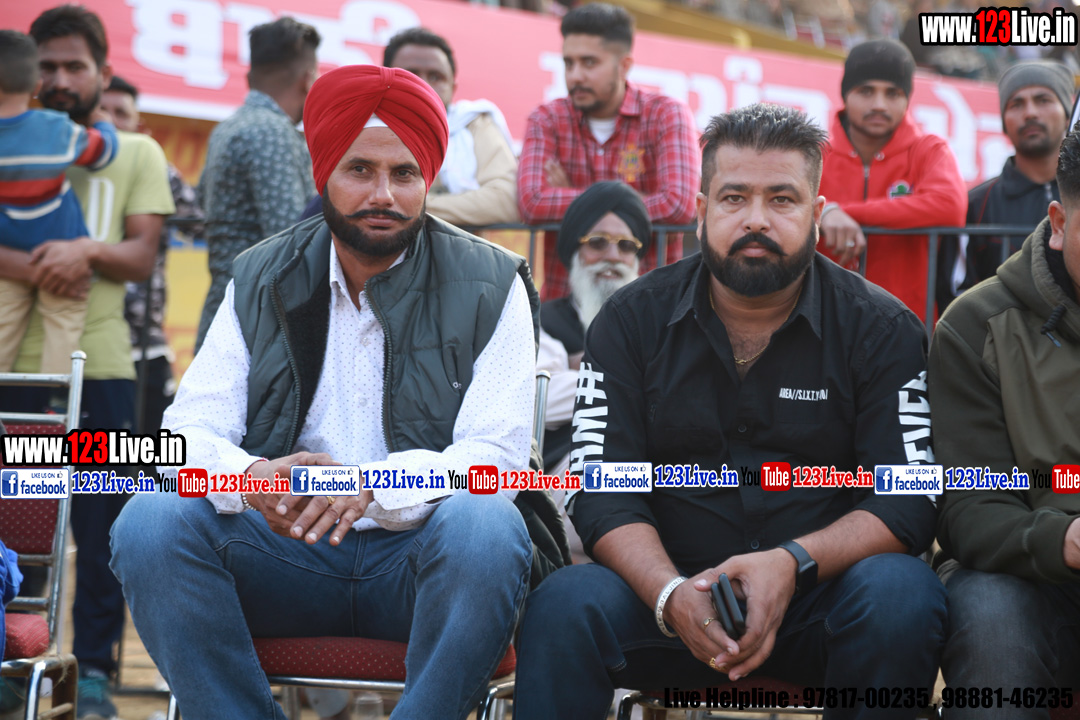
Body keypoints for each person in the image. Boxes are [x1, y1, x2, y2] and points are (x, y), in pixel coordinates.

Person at [110, 65, 542, 720]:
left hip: (420, 560)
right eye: (360, 169)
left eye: (404, 173)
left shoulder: (491, 282)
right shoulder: (261, 275)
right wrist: (251, 478)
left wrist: (374, 486)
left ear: (427, 179)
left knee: (486, 525)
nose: (383, 194)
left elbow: (498, 460)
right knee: (151, 520)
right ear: (323, 172)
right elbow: (187, 435)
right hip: (285, 554)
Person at [513, 103, 945, 720]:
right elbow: (602, 488)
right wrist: (669, 593)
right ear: (701, 211)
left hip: (820, 600)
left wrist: (791, 564)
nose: (756, 219)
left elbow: (910, 497)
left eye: (782, 200)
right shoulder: (630, 321)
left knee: (903, 594)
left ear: (817, 214)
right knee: (564, 603)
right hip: (666, 602)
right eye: (735, 198)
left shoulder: (882, 329)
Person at [0, 8, 176, 720]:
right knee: (13, 521)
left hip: (101, 367)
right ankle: (13, 666)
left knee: (104, 523)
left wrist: (86, 251)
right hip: (12, 372)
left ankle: (95, 671)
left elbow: (140, 255)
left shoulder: (135, 151)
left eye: (75, 66)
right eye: (46, 66)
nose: (60, 79)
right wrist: (36, 267)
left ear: (103, 73)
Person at [928, 125, 1080, 720]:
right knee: (992, 616)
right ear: (1059, 222)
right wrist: (1063, 540)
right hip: (1030, 578)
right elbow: (970, 508)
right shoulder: (975, 325)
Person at [517, 2, 699, 301]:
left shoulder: (666, 114)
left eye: (589, 63)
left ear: (624, 65)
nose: (575, 75)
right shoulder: (546, 118)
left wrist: (578, 202)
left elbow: (678, 205)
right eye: (568, 63)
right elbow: (532, 202)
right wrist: (633, 201)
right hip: (566, 305)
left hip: (650, 305)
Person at [818, 39, 967, 322]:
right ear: (845, 94)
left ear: (907, 99)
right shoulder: (814, 153)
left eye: (893, 93)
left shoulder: (928, 149)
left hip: (906, 325)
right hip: (825, 323)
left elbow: (949, 206)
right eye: (866, 91)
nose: (879, 104)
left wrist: (838, 211)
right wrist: (823, 214)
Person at [195, 16, 319, 350]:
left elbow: (201, 207)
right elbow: (292, 241)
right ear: (308, 80)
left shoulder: (227, 127)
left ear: (251, 77)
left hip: (226, 307)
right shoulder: (271, 131)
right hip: (256, 320)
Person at [0, 29, 117, 375]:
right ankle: (57, 395)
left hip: (8, 255)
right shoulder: (56, 129)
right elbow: (102, 153)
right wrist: (104, 125)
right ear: (37, 85)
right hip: (63, 253)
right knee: (63, 327)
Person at [101, 75, 204, 437]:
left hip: (144, 343)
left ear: (139, 126)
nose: (111, 121)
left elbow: (201, 225)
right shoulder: (64, 165)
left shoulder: (158, 170)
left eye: (121, 113)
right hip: (74, 339)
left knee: (151, 454)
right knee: (74, 456)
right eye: (102, 110)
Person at [940, 60, 1073, 310]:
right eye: (1016, 104)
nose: (1030, 113)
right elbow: (958, 299)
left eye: (1043, 100)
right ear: (1002, 121)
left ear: (1067, 114)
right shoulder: (975, 205)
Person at [536, 181, 648, 478]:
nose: (612, 256)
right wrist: (636, 375)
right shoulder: (545, 321)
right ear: (576, 253)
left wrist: (584, 367)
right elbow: (540, 399)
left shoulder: (657, 323)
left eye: (626, 246)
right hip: (570, 464)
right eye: (597, 243)